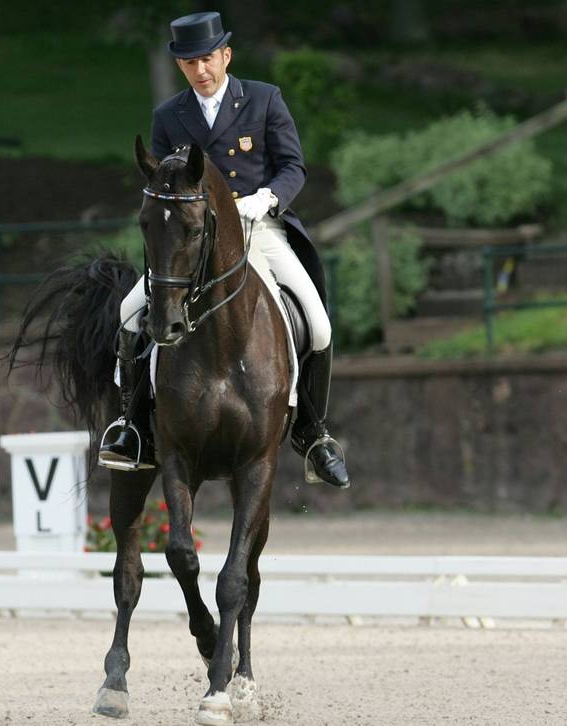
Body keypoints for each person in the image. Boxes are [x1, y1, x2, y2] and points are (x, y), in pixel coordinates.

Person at [98, 11, 350, 489]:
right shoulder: (168, 117)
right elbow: (160, 182)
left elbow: (294, 166)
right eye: (190, 63)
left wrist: (267, 198)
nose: (201, 70)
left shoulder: (262, 99)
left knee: (317, 323)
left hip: (259, 229)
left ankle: (314, 435)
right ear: (181, 66)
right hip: (193, 240)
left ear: (226, 55)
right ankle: (132, 428)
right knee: (131, 317)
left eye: (208, 59)